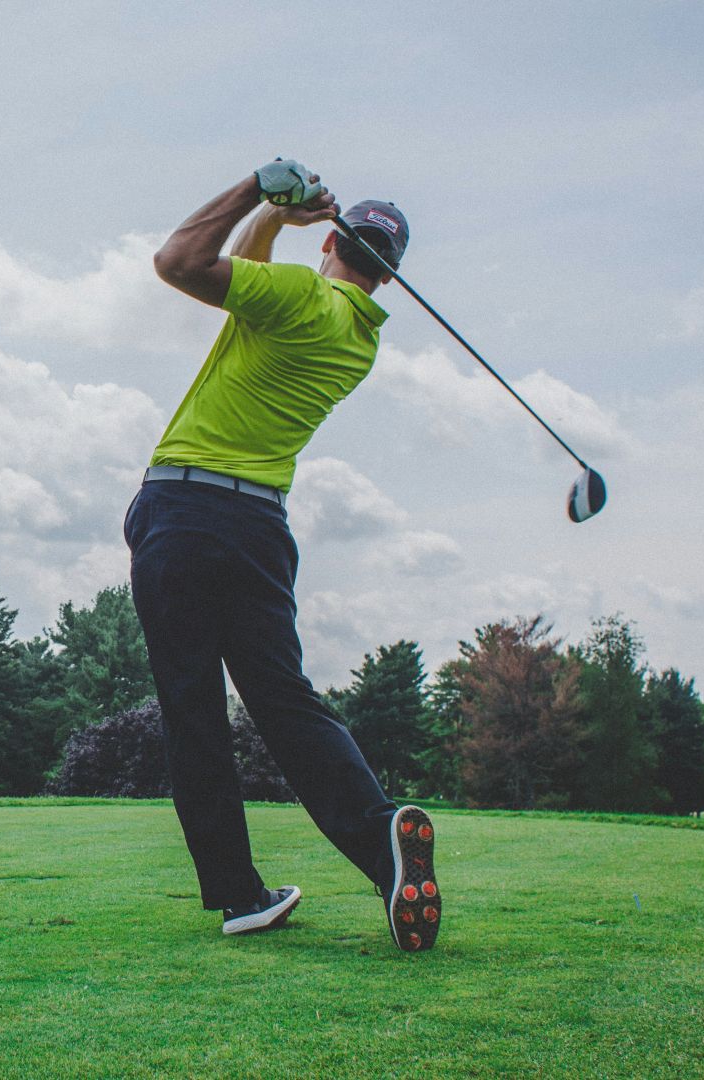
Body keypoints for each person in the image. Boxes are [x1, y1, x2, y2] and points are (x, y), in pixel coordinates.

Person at [126, 159, 440, 951]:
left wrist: (254, 189)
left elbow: (179, 262)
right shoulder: (356, 336)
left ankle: (240, 894)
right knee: (286, 702)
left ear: (330, 241)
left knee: (194, 710)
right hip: (260, 528)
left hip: (184, 512)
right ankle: (382, 846)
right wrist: (274, 220)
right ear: (388, 277)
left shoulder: (299, 296)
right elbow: (248, 278)